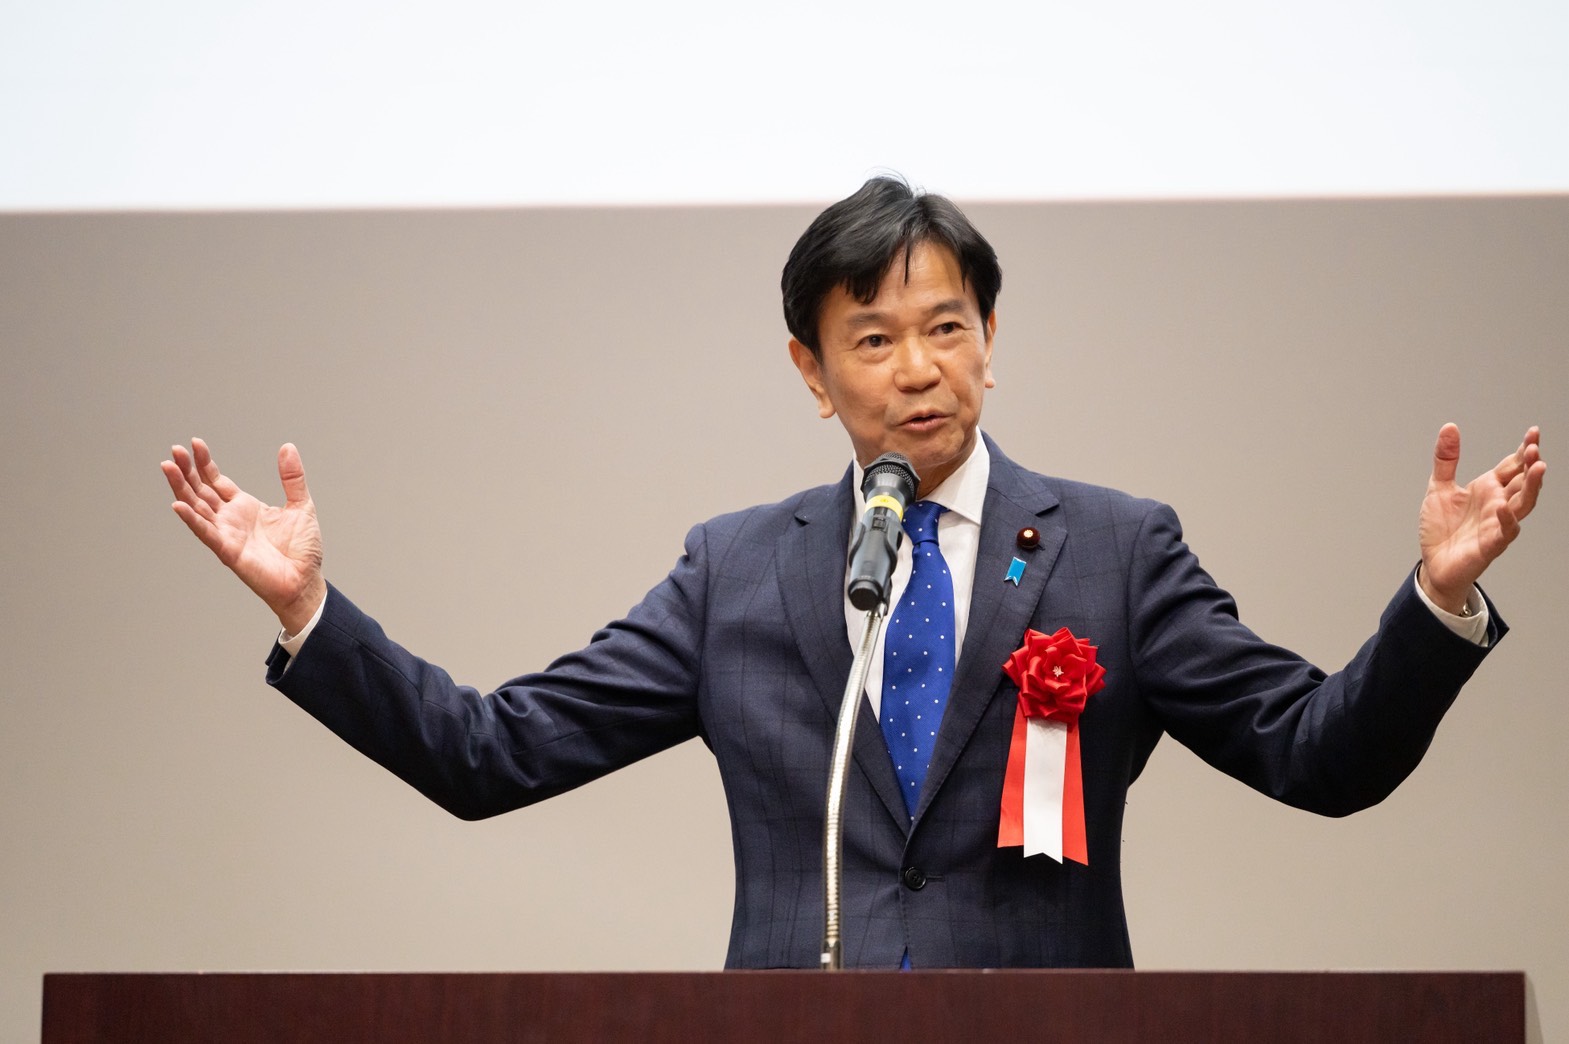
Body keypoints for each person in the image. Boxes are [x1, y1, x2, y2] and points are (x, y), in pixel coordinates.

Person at [162, 176, 1545, 969]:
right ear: (812, 373)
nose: (917, 368)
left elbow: (1317, 756)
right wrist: (309, 613)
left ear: (991, 338)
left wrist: (1435, 602)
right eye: (873, 338)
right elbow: (491, 754)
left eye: (947, 326)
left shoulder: (1118, 552)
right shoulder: (737, 572)